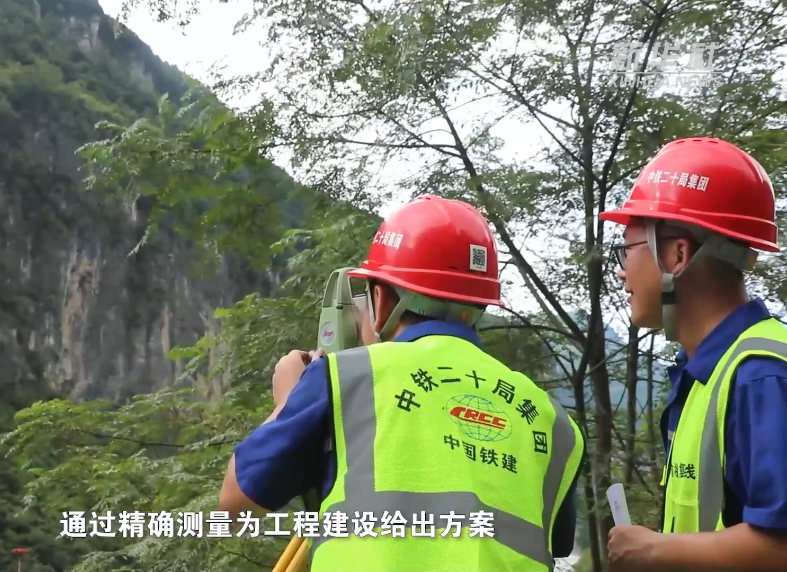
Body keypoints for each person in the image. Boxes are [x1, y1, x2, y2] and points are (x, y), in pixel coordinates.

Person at [218, 195, 586, 572]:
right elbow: (557, 542)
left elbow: (234, 505)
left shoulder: (345, 376)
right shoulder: (553, 423)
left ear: (381, 298)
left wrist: (289, 399)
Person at [602, 137, 787, 571]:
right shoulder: (707, 373)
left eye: (627, 251)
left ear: (677, 254)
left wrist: (653, 550)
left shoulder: (760, 376)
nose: (623, 272)